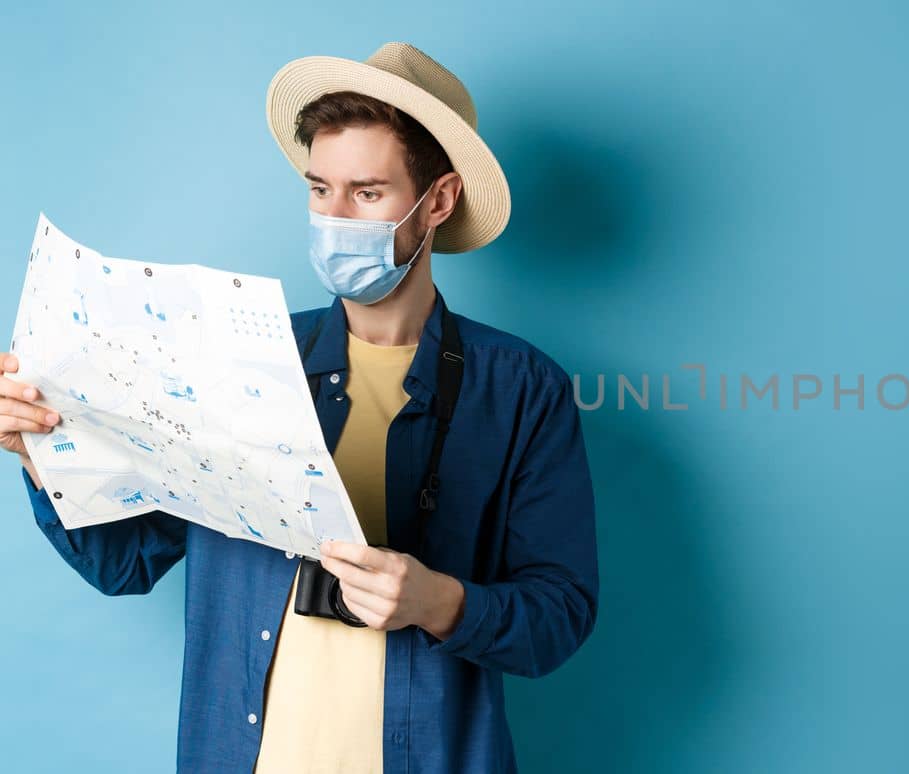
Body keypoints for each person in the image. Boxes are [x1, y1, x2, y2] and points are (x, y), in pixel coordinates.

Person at [4, 42, 599, 773]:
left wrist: (436, 601)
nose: (334, 218)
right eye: (320, 190)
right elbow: (123, 563)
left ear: (437, 202)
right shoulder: (227, 362)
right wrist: (41, 456)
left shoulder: (522, 388)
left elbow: (559, 617)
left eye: (368, 193)